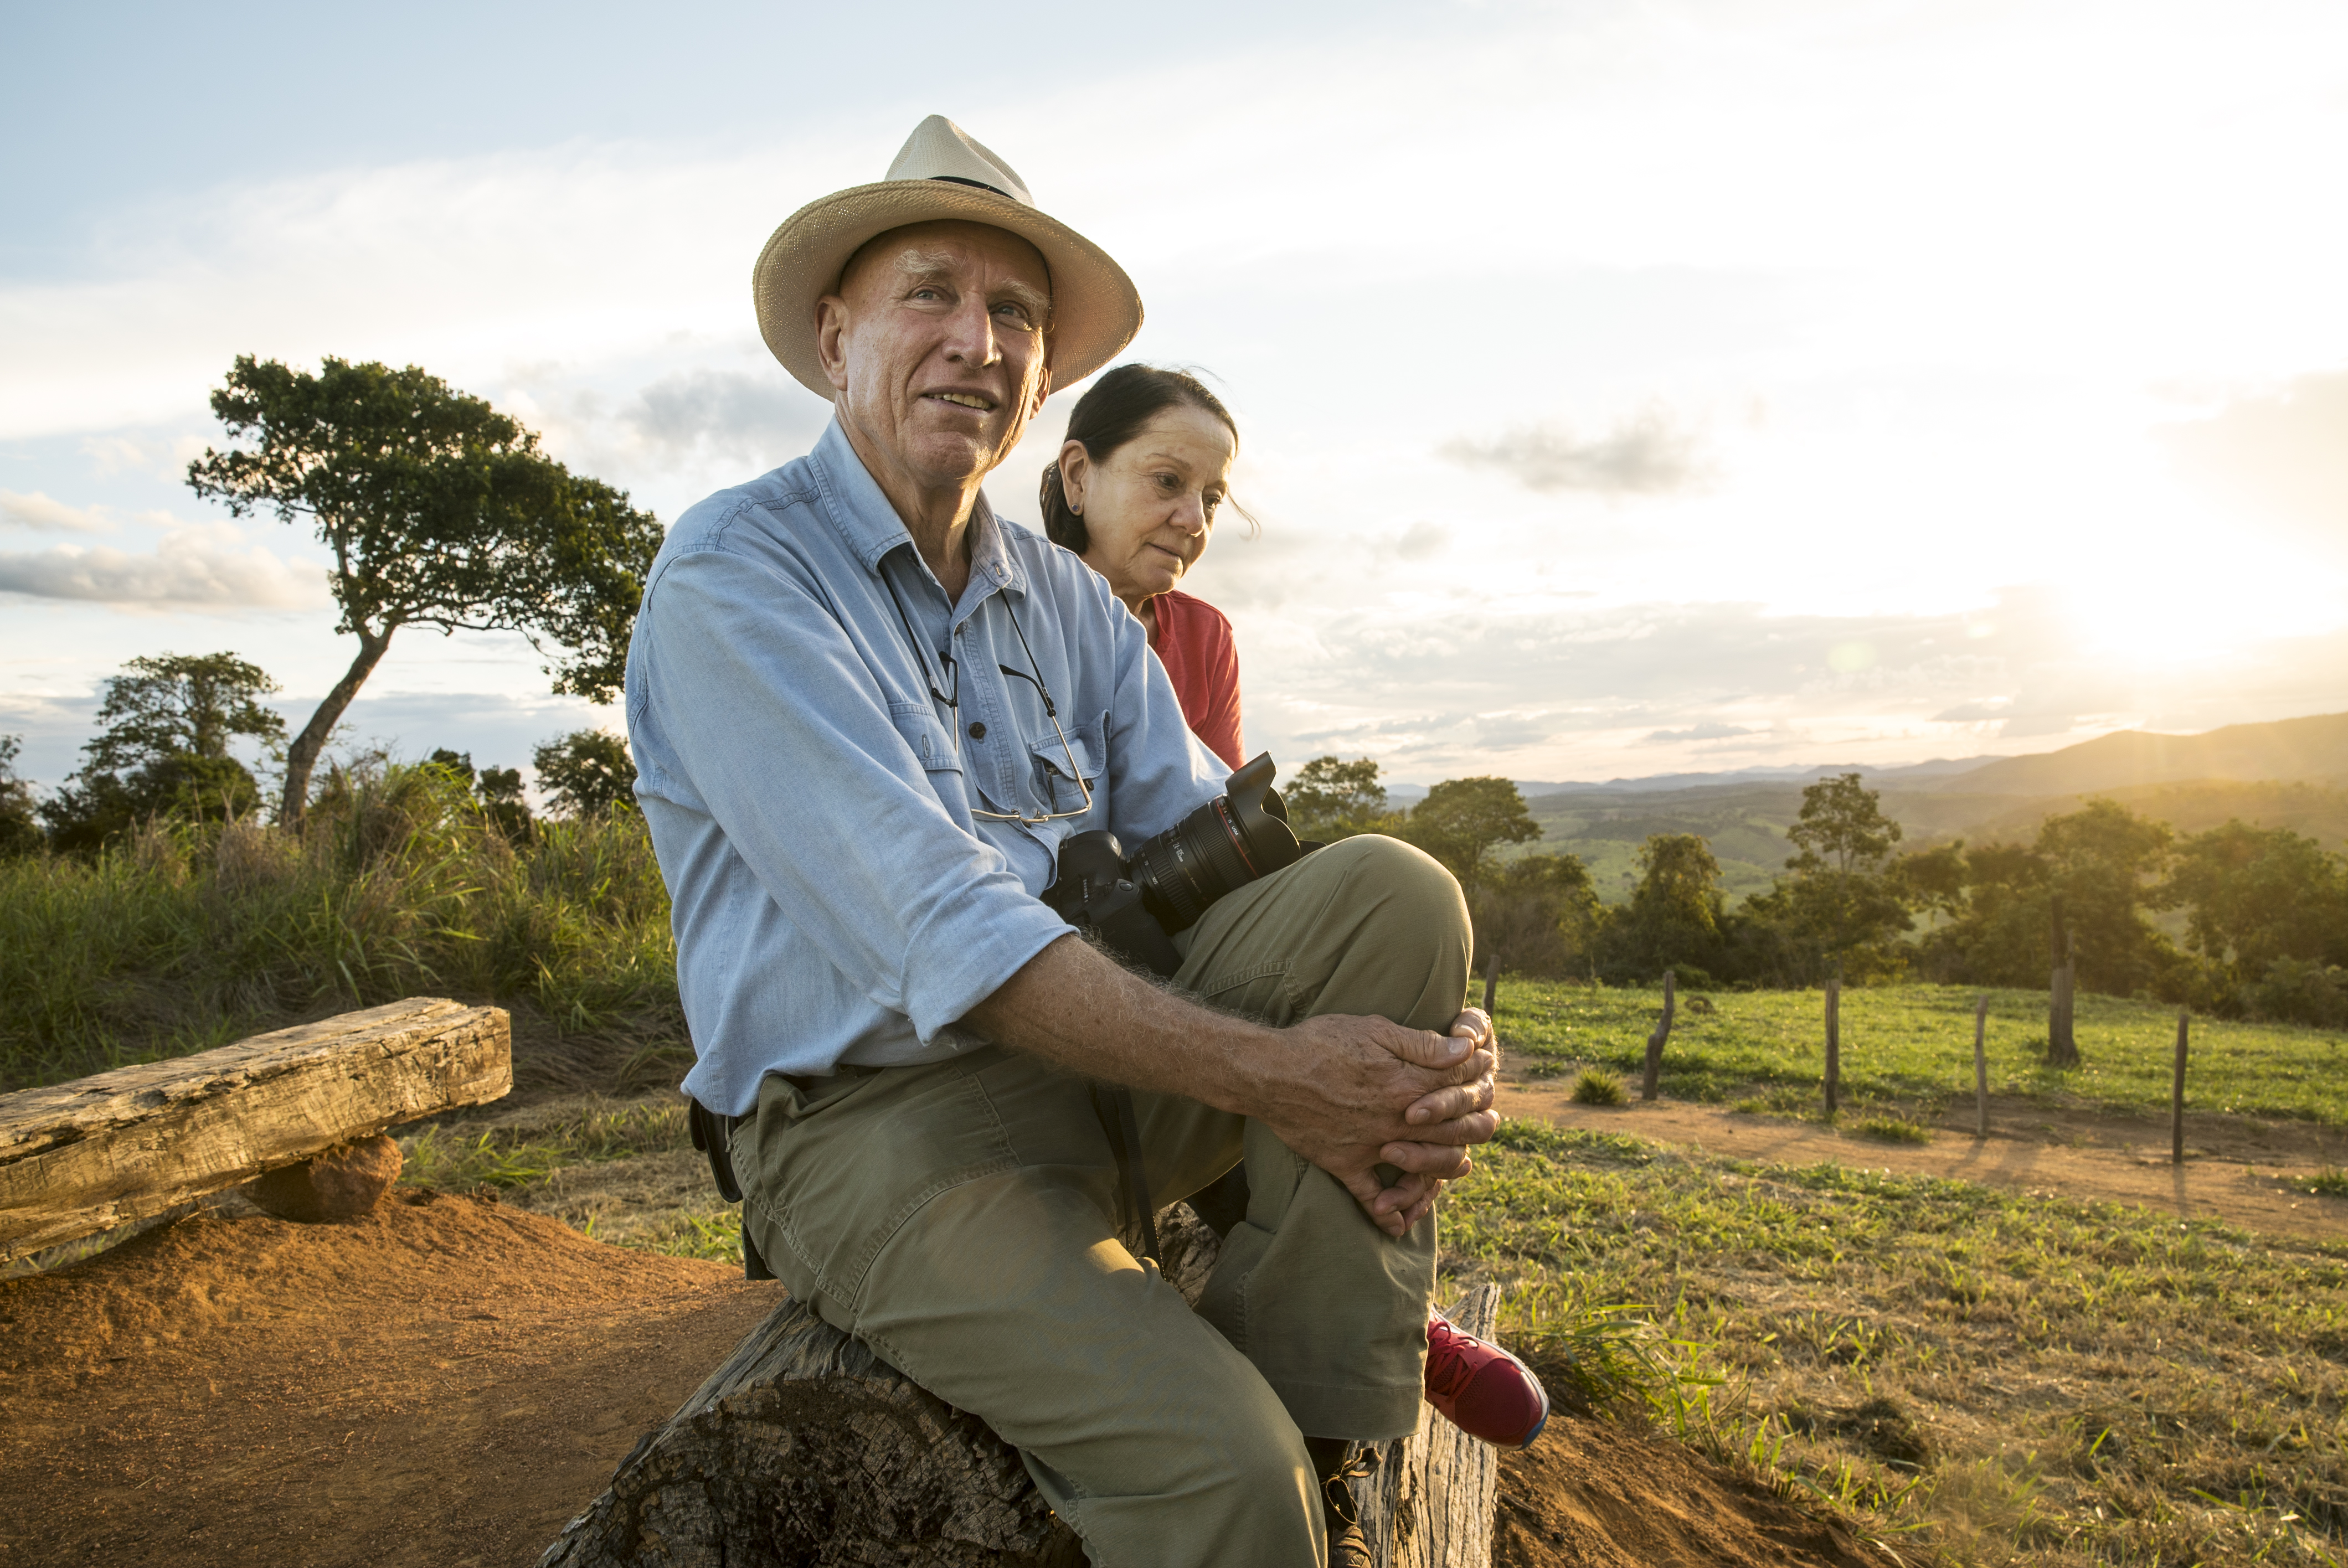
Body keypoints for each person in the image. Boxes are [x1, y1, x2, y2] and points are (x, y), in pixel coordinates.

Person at [625, 115, 1539, 1567]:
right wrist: (1283, 1076)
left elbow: (1221, 851)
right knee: (1217, 1482)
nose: (974, 340)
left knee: (1392, 898)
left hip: (1100, 1072)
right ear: (834, 328)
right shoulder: (738, 578)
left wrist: (1428, 1045)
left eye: (1016, 315)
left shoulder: (1056, 598)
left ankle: (1323, 1426)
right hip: (885, 1128)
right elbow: (945, 930)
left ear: (1047, 377)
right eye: (931, 292)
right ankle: (1254, 1474)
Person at [1041, 364, 1247, 768]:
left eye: (1211, 499)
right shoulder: (1007, 616)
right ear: (1078, 475)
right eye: (1167, 480)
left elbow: (1226, 812)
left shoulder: (1204, 639)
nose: (1195, 521)